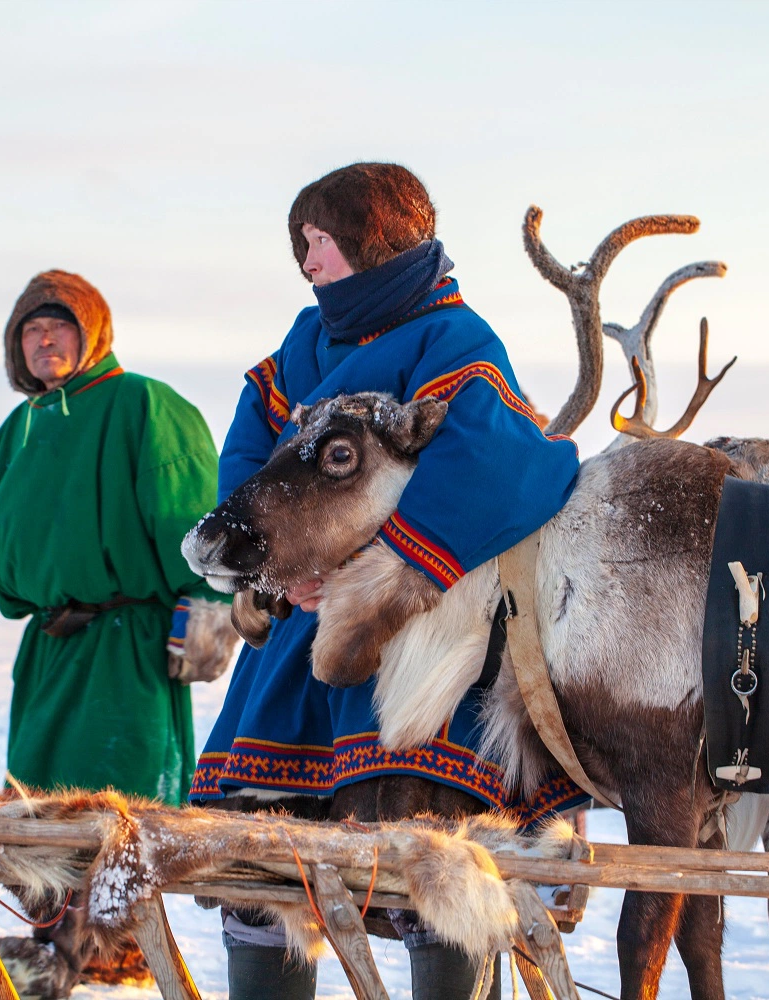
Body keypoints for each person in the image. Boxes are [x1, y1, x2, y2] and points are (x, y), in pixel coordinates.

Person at [193, 163, 589, 1000]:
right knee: (265, 865)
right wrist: (278, 571)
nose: (308, 263)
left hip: (419, 636)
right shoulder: (298, 351)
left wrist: (376, 575)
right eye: (302, 245)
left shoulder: (452, 338)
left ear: (373, 240)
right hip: (301, 643)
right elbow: (248, 470)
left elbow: (501, 465)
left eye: (322, 242)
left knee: (435, 860)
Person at [0, 269, 236, 995]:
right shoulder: (18, 430)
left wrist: (209, 612)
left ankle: (111, 945)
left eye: (59, 327)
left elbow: (192, 517)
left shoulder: (144, 404)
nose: (45, 340)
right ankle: (58, 937)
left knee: (120, 800)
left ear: (93, 335)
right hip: (48, 650)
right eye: (31, 331)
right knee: (41, 797)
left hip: (129, 647)